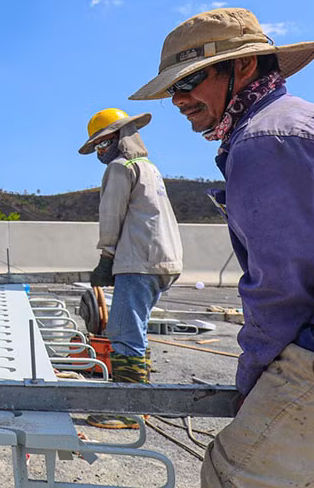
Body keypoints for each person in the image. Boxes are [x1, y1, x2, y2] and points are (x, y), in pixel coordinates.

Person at [131, 7, 314, 487]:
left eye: (189, 80)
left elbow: (280, 286)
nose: (178, 99)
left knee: (232, 474)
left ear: (242, 66)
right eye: (173, 88)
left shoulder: (264, 140)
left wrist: (254, 378)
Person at [78, 108, 183, 428]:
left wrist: (106, 257)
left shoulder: (120, 167)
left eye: (102, 144)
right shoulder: (149, 168)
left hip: (139, 261)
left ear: (119, 139)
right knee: (135, 331)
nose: (100, 151)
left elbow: (112, 215)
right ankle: (139, 401)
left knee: (124, 333)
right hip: (161, 259)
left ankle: (128, 409)